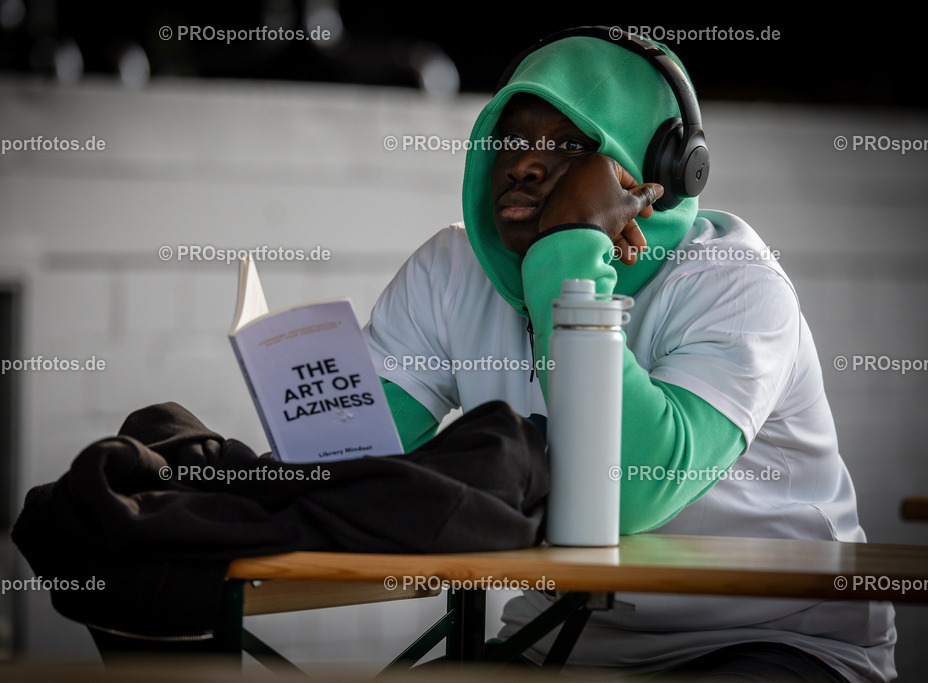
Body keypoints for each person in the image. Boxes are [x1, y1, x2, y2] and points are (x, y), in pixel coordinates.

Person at [362, 27, 896, 681]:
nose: (524, 164)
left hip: (773, 636)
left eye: (569, 146)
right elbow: (352, 457)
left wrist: (567, 257)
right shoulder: (452, 270)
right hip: (558, 636)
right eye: (512, 138)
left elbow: (627, 491)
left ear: (657, 176)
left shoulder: (735, 283)